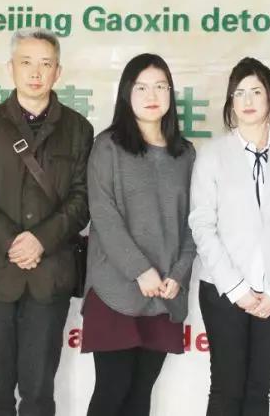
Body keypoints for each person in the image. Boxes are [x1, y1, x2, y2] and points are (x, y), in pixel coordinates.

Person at [0, 27, 94, 416]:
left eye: (45, 64)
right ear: (10, 68)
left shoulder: (78, 129)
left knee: (38, 394)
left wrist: (41, 240)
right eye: (26, 62)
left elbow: (83, 198)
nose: (36, 72)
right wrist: (12, 241)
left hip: (48, 277)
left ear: (58, 72)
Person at [189, 57, 270, 416]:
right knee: (226, 390)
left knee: (259, 391)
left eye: (256, 91)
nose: (247, 100)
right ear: (230, 101)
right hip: (222, 290)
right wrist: (236, 288)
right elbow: (202, 225)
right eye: (239, 93)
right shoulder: (212, 155)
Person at [82, 53, 196, 416]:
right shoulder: (108, 146)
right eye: (142, 87)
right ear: (126, 93)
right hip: (115, 288)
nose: (152, 95)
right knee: (112, 390)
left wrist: (178, 274)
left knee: (140, 394)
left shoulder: (185, 154)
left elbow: (194, 222)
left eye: (161, 86)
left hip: (164, 293)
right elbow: (103, 215)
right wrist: (139, 270)